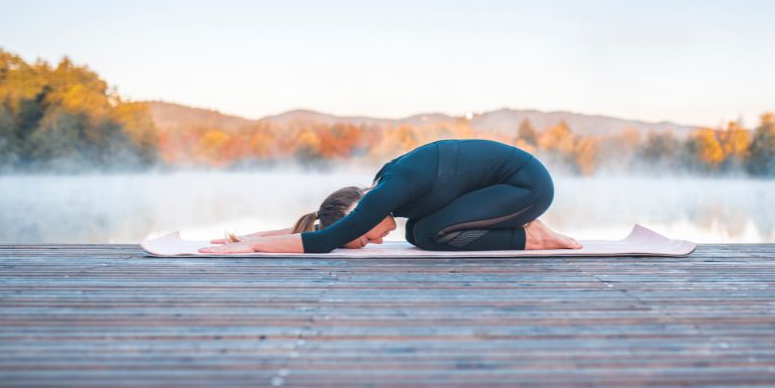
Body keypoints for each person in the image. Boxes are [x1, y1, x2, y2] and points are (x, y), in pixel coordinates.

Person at [199, 139, 582, 254]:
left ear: (357, 207)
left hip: (526, 186)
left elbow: (325, 239)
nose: (377, 238)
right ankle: (526, 230)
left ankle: (534, 236)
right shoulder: (382, 193)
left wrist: (246, 251)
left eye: (365, 234)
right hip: (500, 189)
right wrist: (249, 235)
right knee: (420, 233)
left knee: (429, 235)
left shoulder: (387, 192)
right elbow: (320, 225)